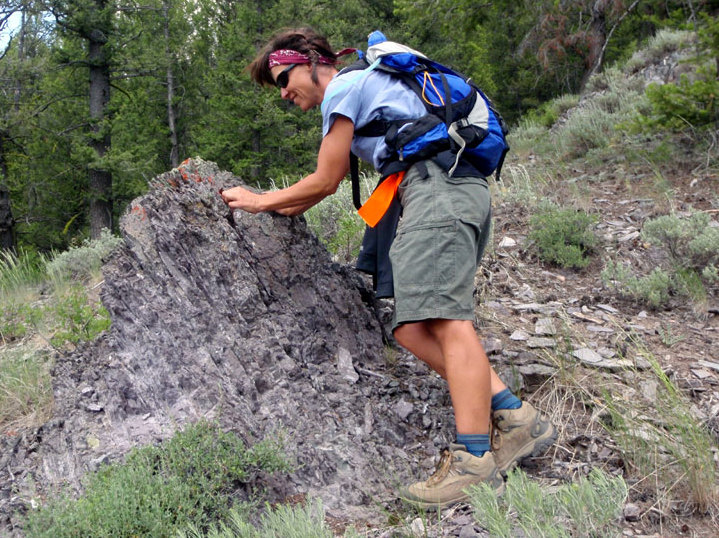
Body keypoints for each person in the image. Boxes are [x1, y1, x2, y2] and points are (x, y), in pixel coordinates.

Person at [221, 28, 556, 508]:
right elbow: (322, 186)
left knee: (445, 321)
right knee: (411, 330)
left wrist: (258, 201)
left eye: (285, 77)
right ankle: (514, 417)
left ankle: (474, 461)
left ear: (314, 61)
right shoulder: (367, 88)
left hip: (438, 188)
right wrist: (282, 206)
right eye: (277, 86)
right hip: (439, 190)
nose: (284, 92)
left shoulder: (343, 87)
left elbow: (326, 179)